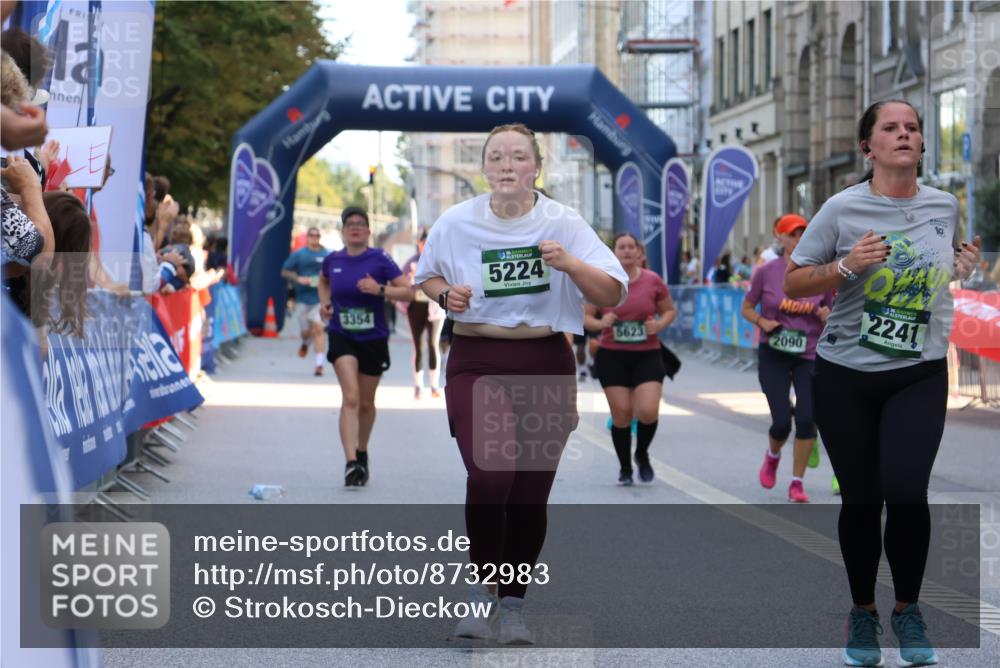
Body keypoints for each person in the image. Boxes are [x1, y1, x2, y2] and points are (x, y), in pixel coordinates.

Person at [785, 99, 981, 668]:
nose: (904, 134)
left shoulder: (944, 204)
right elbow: (795, 280)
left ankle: (908, 610)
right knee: (863, 498)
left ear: (921, 144)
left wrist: (957, 268)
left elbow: (935, 269)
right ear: (868, 147)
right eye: (890, 128)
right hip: (846, 374)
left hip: (918, 372)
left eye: (912, 128)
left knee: (907, 488)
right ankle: (864, 612)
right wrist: (846, 266)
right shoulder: (842, 208)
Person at [415, 123, 627, 645]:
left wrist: (570, 263)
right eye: (496, 156)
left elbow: (612, 293)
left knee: (530, 495)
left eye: (517, 156)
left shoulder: (563, 221)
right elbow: (427, 277)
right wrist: (446, 297)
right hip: (477, 359)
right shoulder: (456, 221)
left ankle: (512, 607)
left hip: (544, 360)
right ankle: (480, 595)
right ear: (484, 167)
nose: (506, 165)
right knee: (491, 474)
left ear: (536, 167)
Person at [741, 213, 832, 503]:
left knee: (806, 419)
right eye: (792, 234)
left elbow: (833, 311)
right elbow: (747, 308)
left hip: (809, 354)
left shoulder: (821, 272)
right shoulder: (766, 271)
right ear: (779, 237)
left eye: (803, 233)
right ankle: (773, 455)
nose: (798, 239)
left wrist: (827, 315)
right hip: (774, 353)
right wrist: (762, 322)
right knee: (781, 422)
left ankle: (797, 482)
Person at [319, 207, 410, 487]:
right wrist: (325, 303)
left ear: (369, 231)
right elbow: (323, 280)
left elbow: (408, 291)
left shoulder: (380, 259)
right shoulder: (333, 260)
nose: (355, 227)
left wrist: (380, 290)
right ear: (343, 231)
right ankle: (350, 463)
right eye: (350, 224)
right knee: (351, 397)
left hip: (373, 338)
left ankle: (361, 451)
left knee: (367, 403)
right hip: (342, 334)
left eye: (360, 223)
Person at [585, 232, 675, 485]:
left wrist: (658, 325)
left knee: (648, 411)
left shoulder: (652, 280)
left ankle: (642, 453)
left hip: (647, 354)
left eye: (630, 247)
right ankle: (625, 468)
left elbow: (669, 310)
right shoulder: (603, 280)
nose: (626, 251)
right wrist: (601, 322)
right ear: (613, 252)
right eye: (621, 247)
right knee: (622, 414)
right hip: (612, 356)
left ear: (638, 252)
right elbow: (585, 317)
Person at [400, 231, 445, 398]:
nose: (425, 246)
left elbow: (449, 280)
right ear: (418, 244)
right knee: (418, 346)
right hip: (416, 306)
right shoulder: (412, 261)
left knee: (433, 344)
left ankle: (434, 385)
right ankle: (418, 386)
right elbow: (400, 282)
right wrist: (410, 281)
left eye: (428, 242)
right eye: (422, 243)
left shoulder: (439, 261)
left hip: (435, 307)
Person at [281, 226, 330, 376]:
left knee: (319, 329)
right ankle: (305, 342)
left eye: (317, 235)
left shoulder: (327, 254)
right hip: (302, 299)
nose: (314, 238)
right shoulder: (299, 254)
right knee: (306, 333)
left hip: (320, 299)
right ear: (307, 237)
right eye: (311, 235)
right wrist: (298, 278)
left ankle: (319, 365)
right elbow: (284, 271)